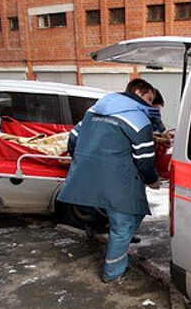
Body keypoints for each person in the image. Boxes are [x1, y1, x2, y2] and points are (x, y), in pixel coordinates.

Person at [60, 78, 160, 283]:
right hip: (118, 180)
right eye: (150, 99)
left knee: (127, 215)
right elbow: (144, 160)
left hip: (89, 176)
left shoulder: (95, 110)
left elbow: (73, 138)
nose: (150, 105)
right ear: (139, 93)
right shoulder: (138, 120)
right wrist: (152, 180)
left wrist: (85, 161)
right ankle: (113, 273)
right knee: (123, 225)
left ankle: (110, 240)